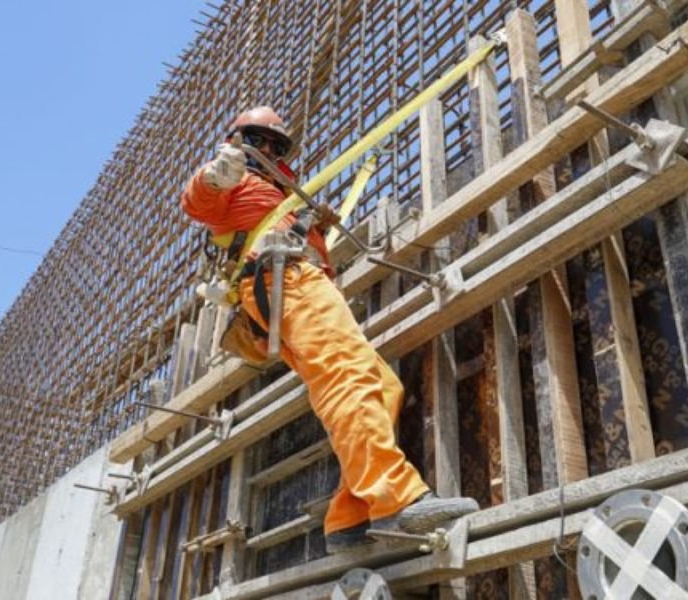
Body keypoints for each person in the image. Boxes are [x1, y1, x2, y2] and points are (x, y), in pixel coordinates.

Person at [181, 106, 478, 553]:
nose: (266, 149)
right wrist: (215, 175)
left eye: (275, 145)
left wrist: (312, 225)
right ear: (239, 139)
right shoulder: (236, 179)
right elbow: (197, 201)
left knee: (381, 384)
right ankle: (394, 497)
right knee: (349, 376)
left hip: (296, 283)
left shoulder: (279, 197)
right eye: (258, 139)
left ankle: (350, 515)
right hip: (286, 280)